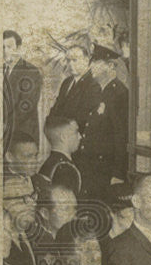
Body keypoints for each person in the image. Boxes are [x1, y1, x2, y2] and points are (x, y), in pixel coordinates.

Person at [76, 44, 129, 202]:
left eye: (97, 62)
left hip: (105, 170)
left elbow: (121, 136)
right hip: (90, 167)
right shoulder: (96, 91)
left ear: (111, 66)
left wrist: (118, 174)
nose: (91, 66)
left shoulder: (120, 93)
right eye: (91, 61)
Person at [3, 30, 42, 149]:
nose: (5, 51)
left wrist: (4, 127)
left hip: (22, 136)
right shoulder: (1, 70)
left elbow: (26, 107)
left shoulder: (31, 71)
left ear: (19, 48)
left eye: (9, 47)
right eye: (2, 47)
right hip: (3, 134)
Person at [49, 44, 101, 124]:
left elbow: (83, 118)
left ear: (86, 60)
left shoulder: (93, 85)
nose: (70, 64)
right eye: (68, 60)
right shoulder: (67, 82)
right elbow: (56, 109)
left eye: (74, 60)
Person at [37, 116, 83, 197]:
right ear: (63, 137)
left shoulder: (48, 163)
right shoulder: (65, 169)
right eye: (76, 132)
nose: (80, 136)